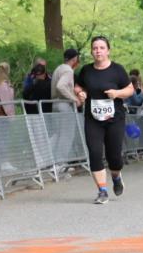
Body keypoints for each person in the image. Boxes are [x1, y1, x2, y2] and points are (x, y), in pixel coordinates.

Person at [73, 36, 135, 204]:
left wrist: (117, 94)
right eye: (95, 48)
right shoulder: (86, 70)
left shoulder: (117, 70)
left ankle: (116, 176)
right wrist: (80, 93)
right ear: (92, 51)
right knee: (94, 152)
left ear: (108, 50)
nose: (98, 51)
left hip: (114, 118)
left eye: (101, 47)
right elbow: (78, 85)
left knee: (114, 156)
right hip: (93, 118)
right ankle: (102, 190)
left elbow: (130, 89)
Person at [50, 48, 82, 160]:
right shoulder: (68, 70)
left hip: (55, 104)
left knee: (57, 134)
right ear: (74, 59)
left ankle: (47, 160)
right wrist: (74, 99)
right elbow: (60, 86)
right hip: (64, 104)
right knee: (67, 135)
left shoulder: (58, 68)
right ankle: (60, 163)